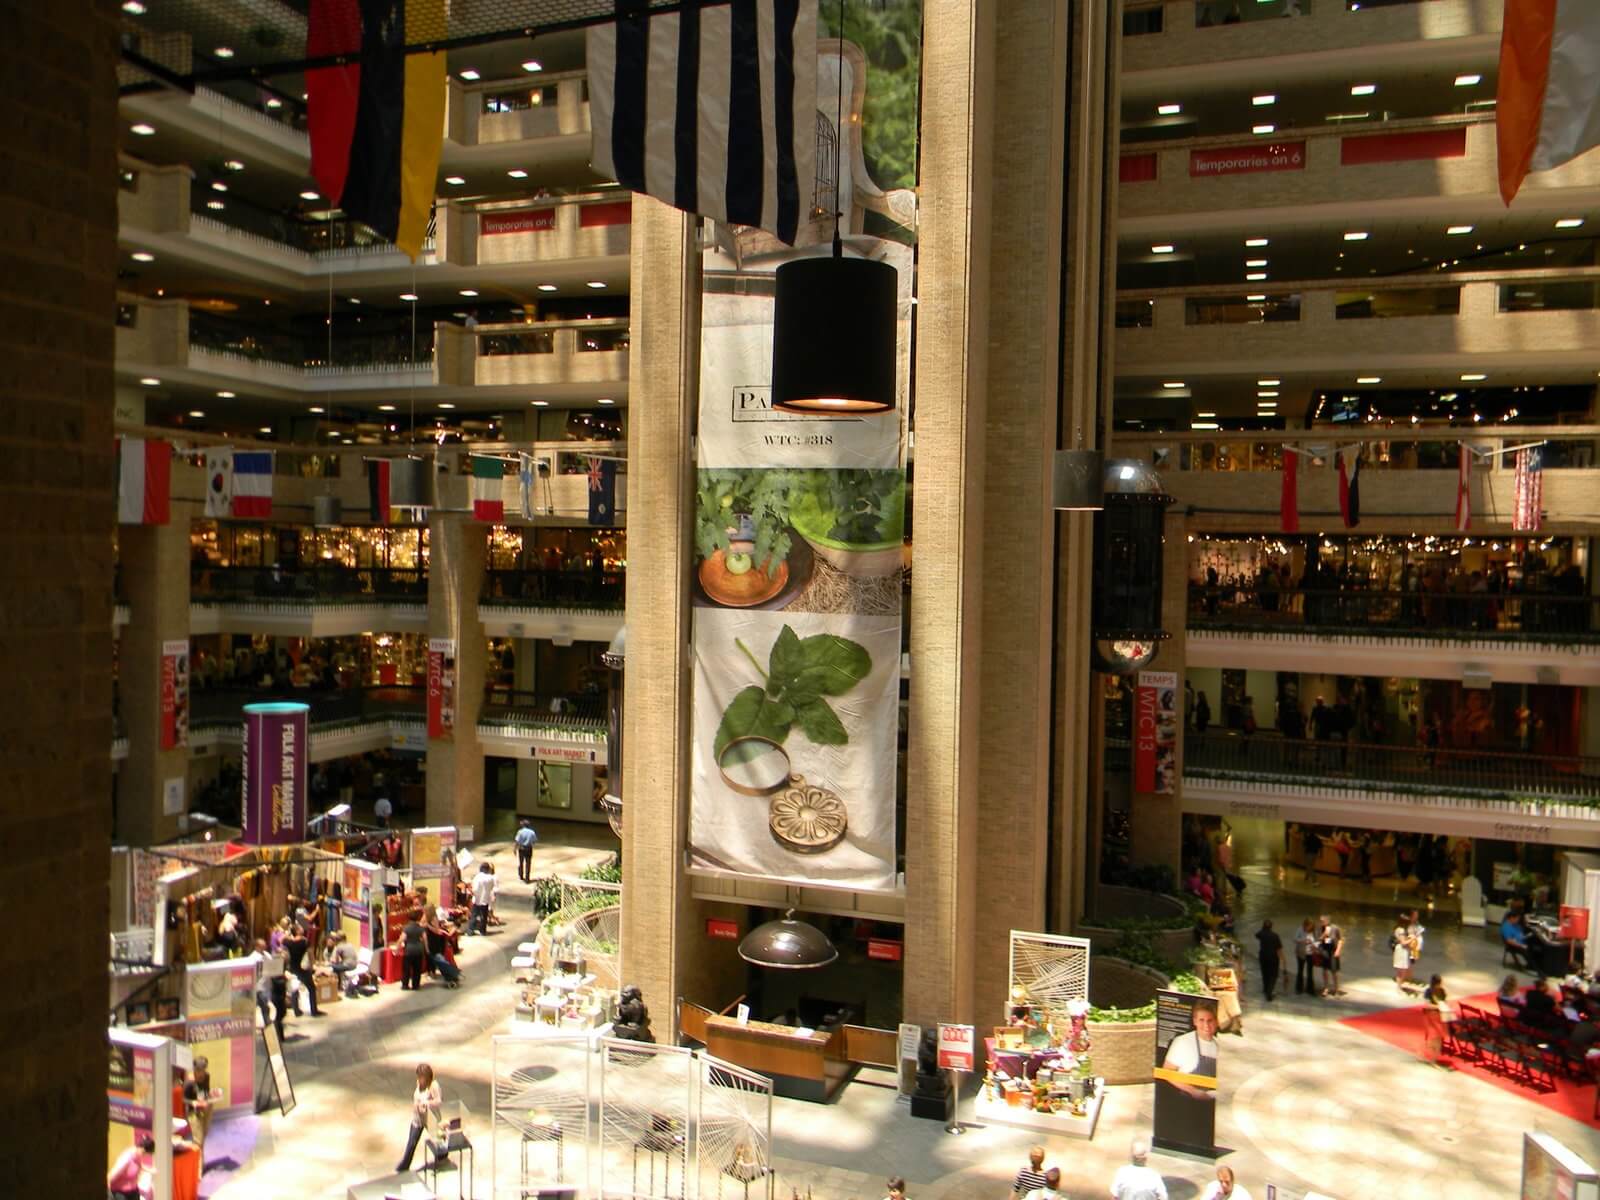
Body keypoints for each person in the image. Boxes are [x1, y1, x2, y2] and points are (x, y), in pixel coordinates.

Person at [396, 1062, 443, 1172]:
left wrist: (427, 1103)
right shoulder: (419, 1083)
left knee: (438, 1140)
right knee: (411, 1142)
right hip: (418, 1118)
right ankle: (404, 1166)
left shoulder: (433, 1085)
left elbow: (438, 1101)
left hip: (430, 1117)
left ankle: (442, 1155)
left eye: (421, 1076)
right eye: (418, 1076)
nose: (419, 1079)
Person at [282, 921, 323, 1017]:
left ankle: (296, 1010)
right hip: (302, 969)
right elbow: (310, 954)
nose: (302, 929)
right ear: (297, 931)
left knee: (294, 989)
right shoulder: (305, 941)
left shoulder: (288, 942)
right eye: (300, 928)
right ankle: (314, 1010)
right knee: (311, 988)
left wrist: (289, 934)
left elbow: (282, 940)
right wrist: (313, 966)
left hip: (292, 969)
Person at [255, 936, 288, 1041]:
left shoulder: (267, 955)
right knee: (266, 1010)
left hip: (270, 986)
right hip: (260, 987)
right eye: (262, 946)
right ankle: (272, 1035)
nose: (264, 947)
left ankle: (275, 1034)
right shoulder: (253, 958)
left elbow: (274, 966)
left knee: (274, 1011)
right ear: (257, 947)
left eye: (265, 946)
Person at [107, 1133, 156, 1200]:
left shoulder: (138, 1155)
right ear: (142, 1149)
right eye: (145, 1154)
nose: (145, 1156)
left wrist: (150, 1170)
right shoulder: (126, 1158)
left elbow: (139, 1165)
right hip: (120, 1192)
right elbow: (111, 1175)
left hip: (133, 1191)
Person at [184, 1055, 216, 1153]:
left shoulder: (207, 1076)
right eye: (199, 1070)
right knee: (199, 1140)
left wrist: (210, 1094)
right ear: (194, 1070)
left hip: (206, 1107)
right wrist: (192, 1102)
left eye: (203, 1070)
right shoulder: (189, 1083)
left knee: (204, 1134)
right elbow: (183, 1099)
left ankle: (200, 1158)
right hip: (194, 1112)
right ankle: (199, 1161)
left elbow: (206, 1090)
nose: (201, 1073)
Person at [396, 908, 427, 990]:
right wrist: (426, 949)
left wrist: (397, 948)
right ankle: (415, 985)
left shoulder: (407, 928)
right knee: (417, 969)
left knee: (406, 969)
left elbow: (401, 939)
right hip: (418, 950)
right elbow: (425, 939)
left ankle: (405, 985)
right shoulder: (420, 928)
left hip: (409, 951)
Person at [1255, 919, 1284, 1002]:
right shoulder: (1275, 936)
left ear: (1263, 926)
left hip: (1263, 956)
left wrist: (1263, 929)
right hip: (1273, 957)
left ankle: (1265, 989)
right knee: (1273, 975)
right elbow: (1279, 949)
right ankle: (1269, 993)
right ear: (1271, 926)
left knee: (1265, 973)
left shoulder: (1261, 934)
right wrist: (1283, 959)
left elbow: (1256, 935)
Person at [1316, 915, 1344, 997]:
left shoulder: (1335, 928)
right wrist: (1324, 934)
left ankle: (1336, 989)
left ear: (1327, 921)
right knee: (1324, 971)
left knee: (1334, 971)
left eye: (1322, 921)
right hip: (1324, 951)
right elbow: (1318, 940)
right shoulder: (1320, 928)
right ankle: (1326, 988)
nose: (1321, 922)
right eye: (1320, 921)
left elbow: (1340, 940)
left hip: (1333, 951)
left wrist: (1338, 950)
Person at [469, 861, 496, 936]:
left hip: (477, 899)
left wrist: (473, 894)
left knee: (474, 915)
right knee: (484, 916)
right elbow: (491, 887)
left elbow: (475, 888)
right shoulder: (490, 878)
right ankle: (482, 931)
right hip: (485, 899)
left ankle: (471, 930)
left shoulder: (477, 877)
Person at [1392, 913, 1416, 991]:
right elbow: (1403, 943)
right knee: (1401, 970)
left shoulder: (1397, 929)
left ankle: (1400, 986)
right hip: (1401, 951)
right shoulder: (1401, 930)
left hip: (1401, 950)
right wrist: (1412, 939)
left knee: (1402, 970)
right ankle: (1399, 987)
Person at [1293, 917, 1317, 995]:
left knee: (1310, 971)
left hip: (1310, 953)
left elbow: (1316, 941)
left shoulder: (1313, 931)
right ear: (1305, 925)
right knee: (1300, 970)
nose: (1310, 927)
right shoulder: (1300, 929)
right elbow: (1295, 939)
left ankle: (1310, 989)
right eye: (1309, 926)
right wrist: (1303, 941)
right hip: (1301, 952)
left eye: (1311, 926)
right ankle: (1299, 988)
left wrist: (1314, 945)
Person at [515, 818, 539, 883]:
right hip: (529, 848)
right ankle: (527, 878)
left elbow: (517, 841)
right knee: (528, 863)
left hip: (521, 848)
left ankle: (521, 876)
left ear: (523, 825)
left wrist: (515, 849)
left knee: (521, 862)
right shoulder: (532, 832)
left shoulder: (520, 832)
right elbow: (534, 841)